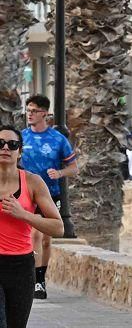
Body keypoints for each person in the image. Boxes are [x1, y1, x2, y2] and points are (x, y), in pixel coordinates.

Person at [0, 126, 64, 328]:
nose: (5, 147)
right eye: (0, 142)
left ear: (20, 151)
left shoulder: (33, 183)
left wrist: (23, 213)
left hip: (20, 266)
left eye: (12, 143)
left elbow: (57, 226)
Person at [21, 95, 77, 300]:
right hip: (27, 193)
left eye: (34, 111)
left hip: (51, 193)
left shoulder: (57, 139)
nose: (30, 114)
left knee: (45, 240)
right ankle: (34, 281)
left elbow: (73, 167)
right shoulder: (21, 137)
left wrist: (60, 173)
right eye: (28, 110)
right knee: (34, 235)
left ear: (45, 113)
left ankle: (41, 279)